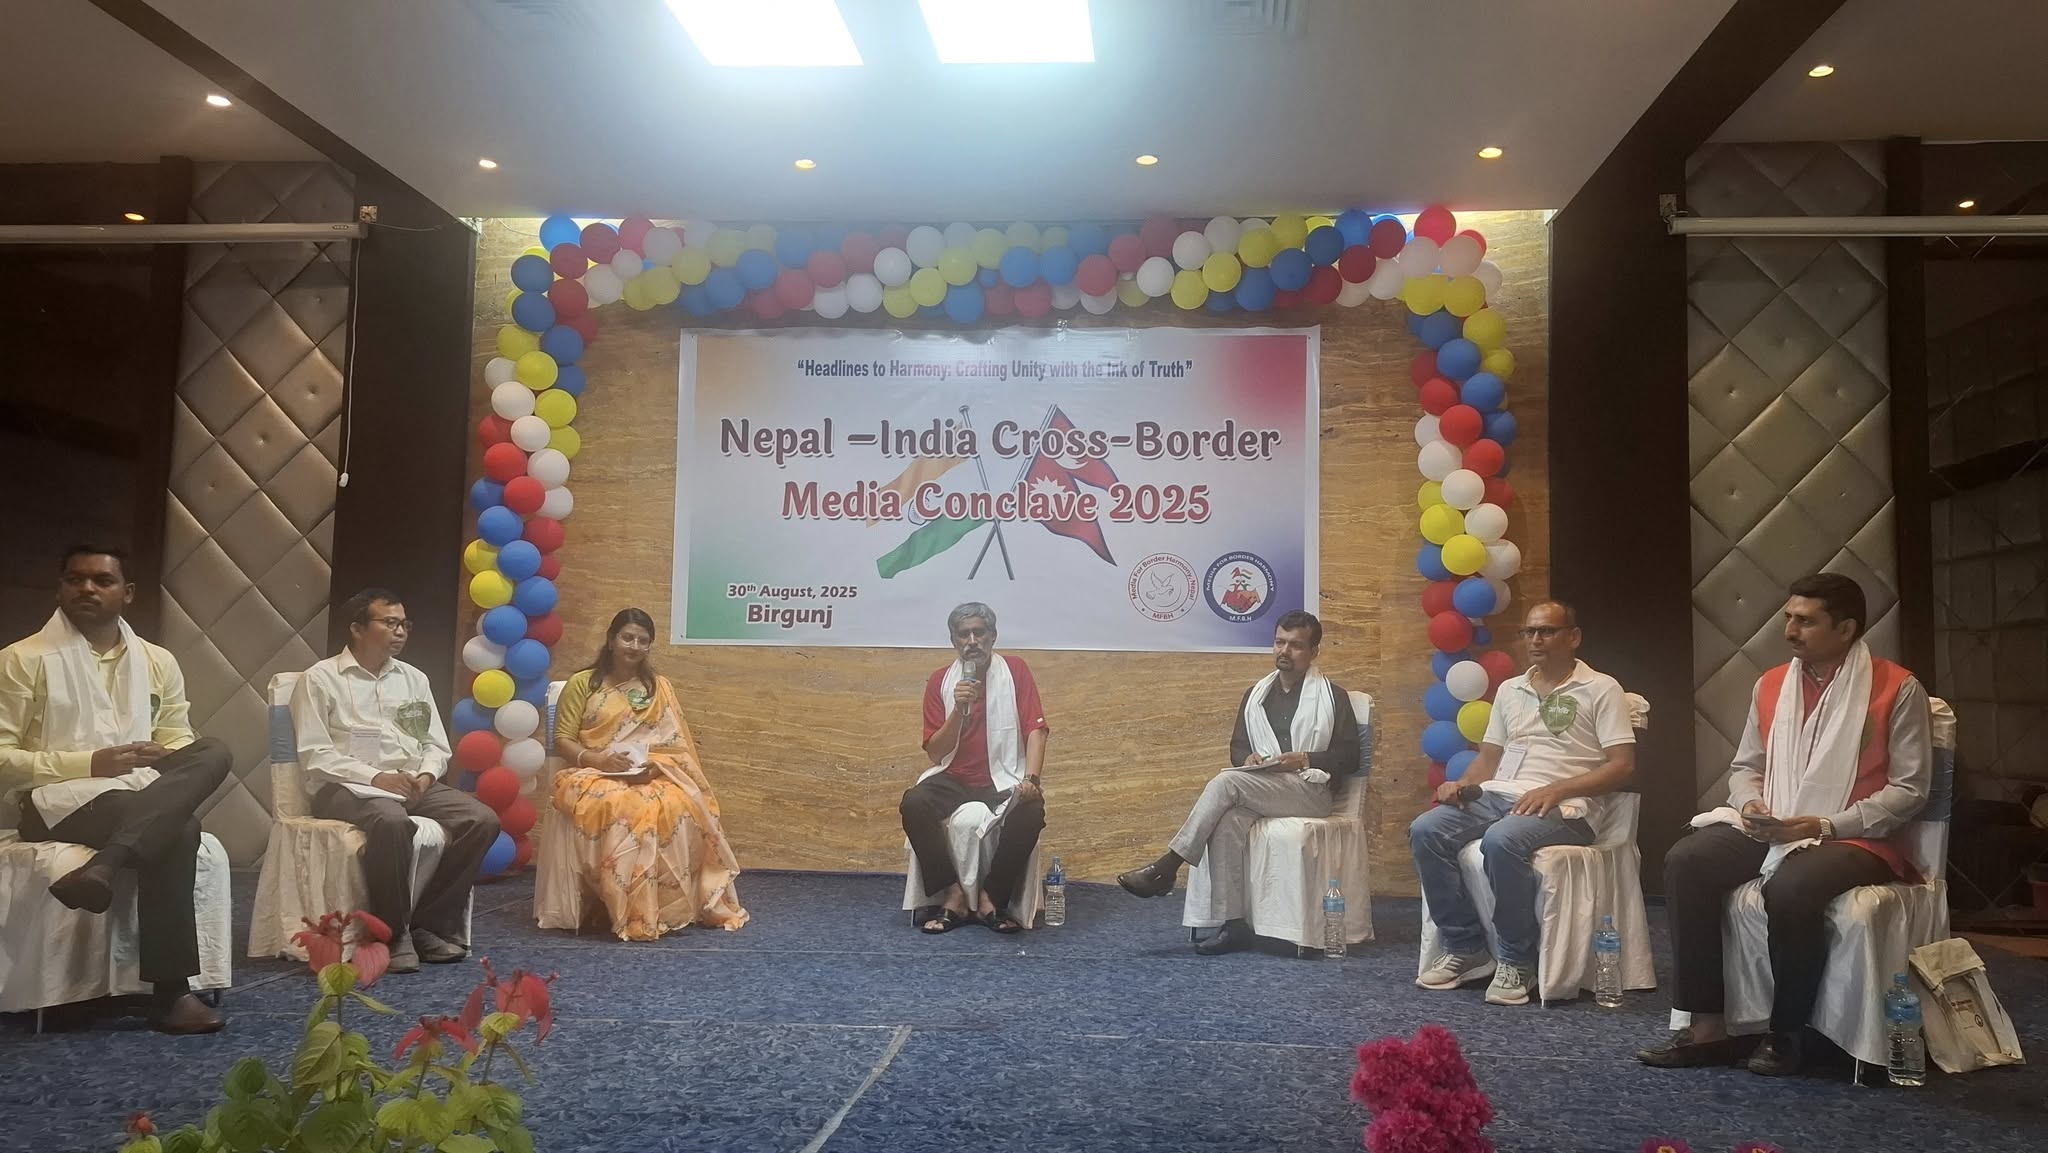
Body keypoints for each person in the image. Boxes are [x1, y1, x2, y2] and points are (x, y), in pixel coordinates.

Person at [1640, 573, 1930, 1076]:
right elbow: (1745, 767)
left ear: (1846, 629)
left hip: (1856, 837)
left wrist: (1825, 824)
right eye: (1789, 617)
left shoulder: (1897, 688)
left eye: (1805, 621)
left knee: (1793, 886)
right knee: (1688, 860)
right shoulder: (1772, 683)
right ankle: (1708, 1029)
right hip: (1777, 824)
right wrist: (1751, 804)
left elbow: (1909, 790)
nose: (1790, 630)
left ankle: (1786, 1035)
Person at [0, 545, 229, 1033]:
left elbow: (178, 735)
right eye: (75, 579)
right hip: (53, 800)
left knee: (214, 750)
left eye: (102, 581)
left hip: (137, 789)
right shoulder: (21, 659)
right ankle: (171, 994)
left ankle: (103, 866)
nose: (87, 588)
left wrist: (163, 753)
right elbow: (2, 759)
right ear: (60, 588)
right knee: (180, 828)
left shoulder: (157, 660)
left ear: (127, 593)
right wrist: (90, 763)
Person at [1409, 600, 1636, 1005]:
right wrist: (1461, 785)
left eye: (1546, 631)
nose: (1535, 640)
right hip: (1502, 795)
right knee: (1426, 829)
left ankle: (1517, 959)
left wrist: (1557, 790)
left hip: (1569, 807)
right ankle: (1465, 945)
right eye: (1529, 632)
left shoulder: (1602, 688)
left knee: (1502, 839)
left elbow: (1622, 767)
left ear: (1573, 637)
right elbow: (1489, 759)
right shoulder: (1511, 690)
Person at [1115, 610, 1361, 956]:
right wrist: (1248, 760)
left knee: (1225, 784)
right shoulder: (1256, 695)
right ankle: (1234, 925)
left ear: (1313, 652)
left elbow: (1350, 757)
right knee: (1226, 821)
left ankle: (1168, 866)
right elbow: (1238, 748)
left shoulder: (1333, 697)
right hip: (1265, 786)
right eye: (1279, 642)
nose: (1284, 651)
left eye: (1295, 645)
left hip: (1310, 791)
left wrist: (1305, 758)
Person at [290, 588, 499, 973]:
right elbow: (315, 754)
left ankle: (427, 924)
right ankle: (392, 933)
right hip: (344, 786)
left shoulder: (413, 679)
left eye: (404, 624)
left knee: (481, 820)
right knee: (391, 821)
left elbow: (435, 743)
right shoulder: (320, 679)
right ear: (357, 629)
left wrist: (426, 775)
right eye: (389, 623)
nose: (400, 631)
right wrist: (376, 777)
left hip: (408, 781)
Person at [545, 607, 748, 939]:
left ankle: (662, 906)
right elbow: (563, 739)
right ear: (611, 640)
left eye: (643, 641)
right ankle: (616, 902)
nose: (634, 646)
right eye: (627, 638)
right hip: (593, 772)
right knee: (622, 806)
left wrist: (656, 766)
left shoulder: (659, 687)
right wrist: (598, 761)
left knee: (682, 805)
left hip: (650, 773)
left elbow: (674, 745)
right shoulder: (583, 683)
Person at [903, 602, 1048, 934]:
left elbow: (1036, 730)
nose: (972, 641)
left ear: (993, 636)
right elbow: (936, 753)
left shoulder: (1016, 671)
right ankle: (952, 894)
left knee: (1031, 810)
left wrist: (1032, 779)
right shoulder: (941, 681)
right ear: (953, 641)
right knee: (914, 803)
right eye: (963, 634)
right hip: (954, 777)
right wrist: (958, 709)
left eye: (979, 633)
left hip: (1003, 777)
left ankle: (990, 898)